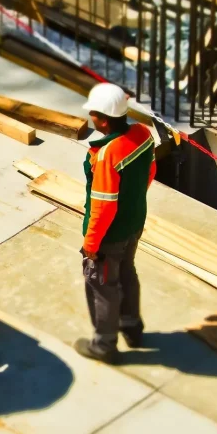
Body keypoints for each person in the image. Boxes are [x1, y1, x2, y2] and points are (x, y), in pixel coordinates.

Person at [75, 83, 157, 364]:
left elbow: (103, 205)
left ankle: (104, 346)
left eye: (94, 114)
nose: (91, 119)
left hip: (110, 235)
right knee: (127, 274)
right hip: (134, 223)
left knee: (101, 285)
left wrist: (91, 244)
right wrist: (133, 205)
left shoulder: (108, 153)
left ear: (104, 119)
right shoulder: (143, 135)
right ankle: (132, 329)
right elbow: (150, 171)